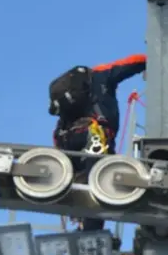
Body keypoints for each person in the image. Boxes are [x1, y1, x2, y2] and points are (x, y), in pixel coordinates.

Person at [49, 54, 147, 232]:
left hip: (66, 139)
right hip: (94, 135)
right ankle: (89, 231)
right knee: (97, 183)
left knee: (75, 187)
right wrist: (152, 61)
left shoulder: (69, 93)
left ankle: (80, 223)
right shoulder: (100, 74)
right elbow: (133, 62)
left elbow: (58, 127)